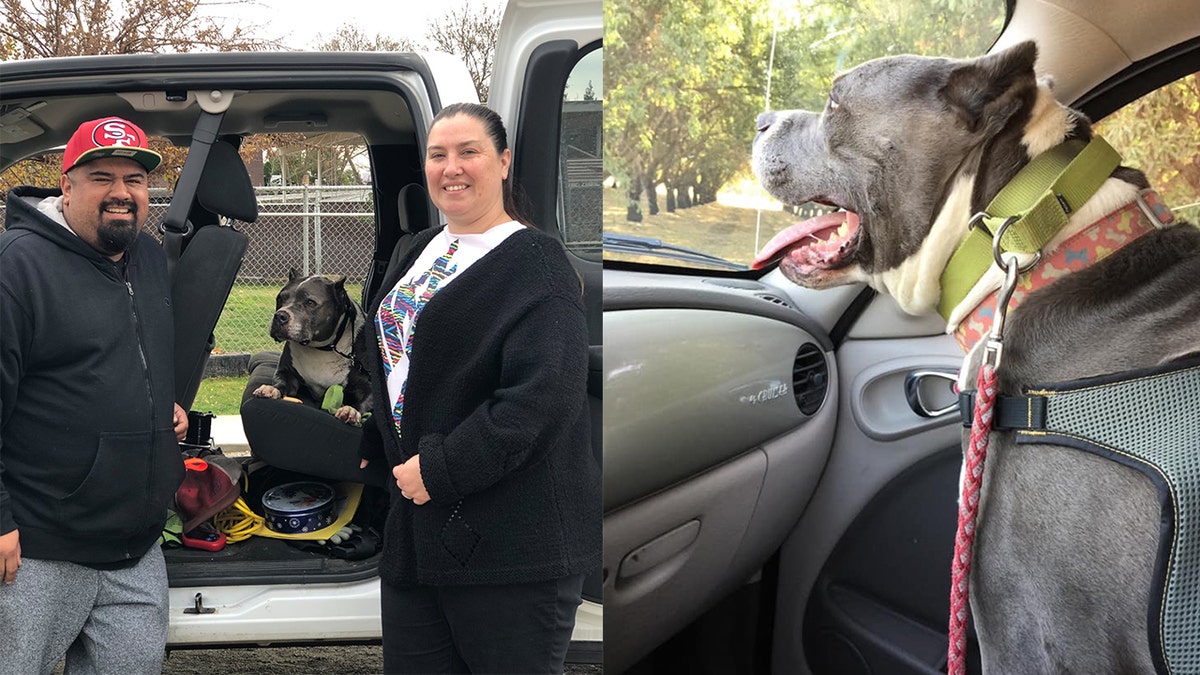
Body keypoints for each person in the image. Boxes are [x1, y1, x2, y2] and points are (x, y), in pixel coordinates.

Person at [357, 102, 601, 674]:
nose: (452, 167)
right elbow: (402, 363)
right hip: (419, 537)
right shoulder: (418, 250)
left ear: (504, 161)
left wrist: (437, 470)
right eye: (438, 154)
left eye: (470, 152)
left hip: (513, 544)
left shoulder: (537, 264)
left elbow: (540, 403)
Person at [0, 116, 189, 674]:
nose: (120, 193)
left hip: (135, 547)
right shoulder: (16, 265)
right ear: (67, 184)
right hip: (39, 547)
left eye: (134, 179)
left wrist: (160, 409)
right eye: (101, 176)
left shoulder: (149, 257)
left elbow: (126, 355)